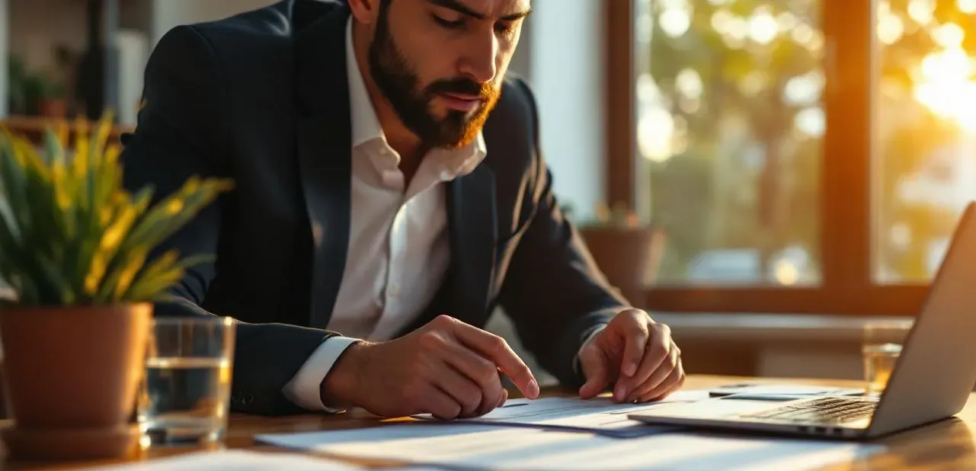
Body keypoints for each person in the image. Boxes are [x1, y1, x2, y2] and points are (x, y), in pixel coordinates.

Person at [121, 0, 686, 419]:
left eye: (507, 24)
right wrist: (350, 368)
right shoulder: (221, 77)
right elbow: (138, 313)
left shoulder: (508, 115)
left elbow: (565, 297)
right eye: (449, 19)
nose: (485, 67)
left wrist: (611, 338)